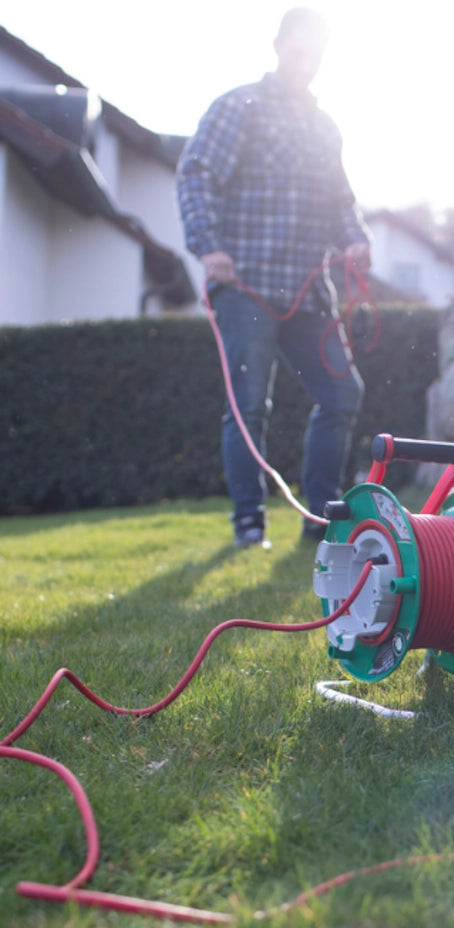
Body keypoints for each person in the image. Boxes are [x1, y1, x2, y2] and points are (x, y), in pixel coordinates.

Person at [176, 6, 371, 548]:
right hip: (245, 286)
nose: (308, 59)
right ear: (280, 44)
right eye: (300, 46)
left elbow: (341, 202)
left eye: (318, 50)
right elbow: (196, 175)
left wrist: (355, 238)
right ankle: (249, 523)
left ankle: (322, 519)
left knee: (342, 394)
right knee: (249, 403)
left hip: (309, 293)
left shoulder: (324, 126)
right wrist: (208, 247)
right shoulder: (241, 107)